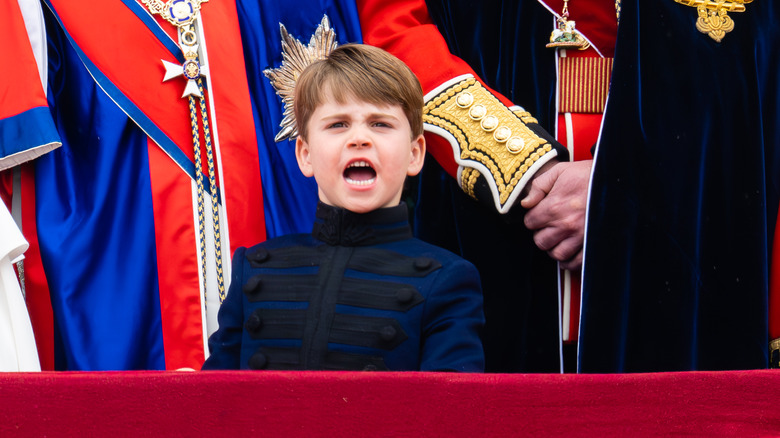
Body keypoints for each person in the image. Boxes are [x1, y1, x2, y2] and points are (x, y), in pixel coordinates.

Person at [362, 0, 780, 373]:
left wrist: (624, 183)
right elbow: (399, 30)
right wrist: (522, 165)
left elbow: (743, 55)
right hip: (495, 215)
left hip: (684, 202)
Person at [202, 44, 484, 371]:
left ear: (415, 154)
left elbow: (451, 414)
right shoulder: (253, 268)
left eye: (380, 123)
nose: (359, 138)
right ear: (305, 154)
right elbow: (215, 404)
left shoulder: (448, 279)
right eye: (338, 124)